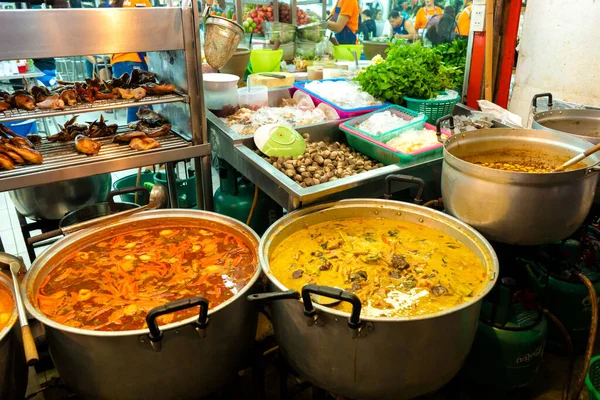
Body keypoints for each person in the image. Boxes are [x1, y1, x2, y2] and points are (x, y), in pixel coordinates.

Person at [110, 0, 152, 122]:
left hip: (118, 61)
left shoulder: (117, 3)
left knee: (134, 104)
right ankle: (137, 137)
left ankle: (135, 136)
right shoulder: (139, 2)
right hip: (133, 59)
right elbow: (149, 27)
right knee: (141, 105)